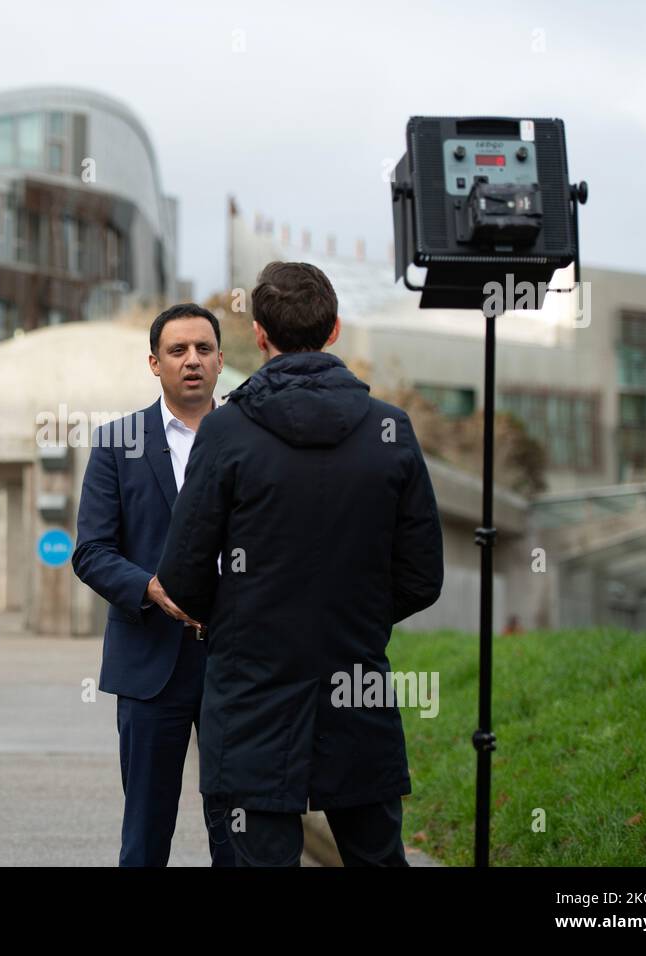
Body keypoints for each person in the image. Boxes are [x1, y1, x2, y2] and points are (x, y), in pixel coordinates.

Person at [157, 262, 444, 867]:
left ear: (259, 335)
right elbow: (422, 576)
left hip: (251, 695)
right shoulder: (391, 430)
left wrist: (236, 616)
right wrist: (359, 612)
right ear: (335, 328)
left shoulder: (226, 431)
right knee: (377, 857)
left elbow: (182, 576)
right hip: (357, 685)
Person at [72, 303, 236, 867]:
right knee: (145, 835)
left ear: (221, 360)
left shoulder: (251, 437)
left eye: (203, 349)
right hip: (149, 662)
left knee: (239, 831)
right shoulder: (118, 443)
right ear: (154, 362)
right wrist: (150, 588)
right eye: (177, 351)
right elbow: (91, 551)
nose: (192, 360)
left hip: (236, 661)